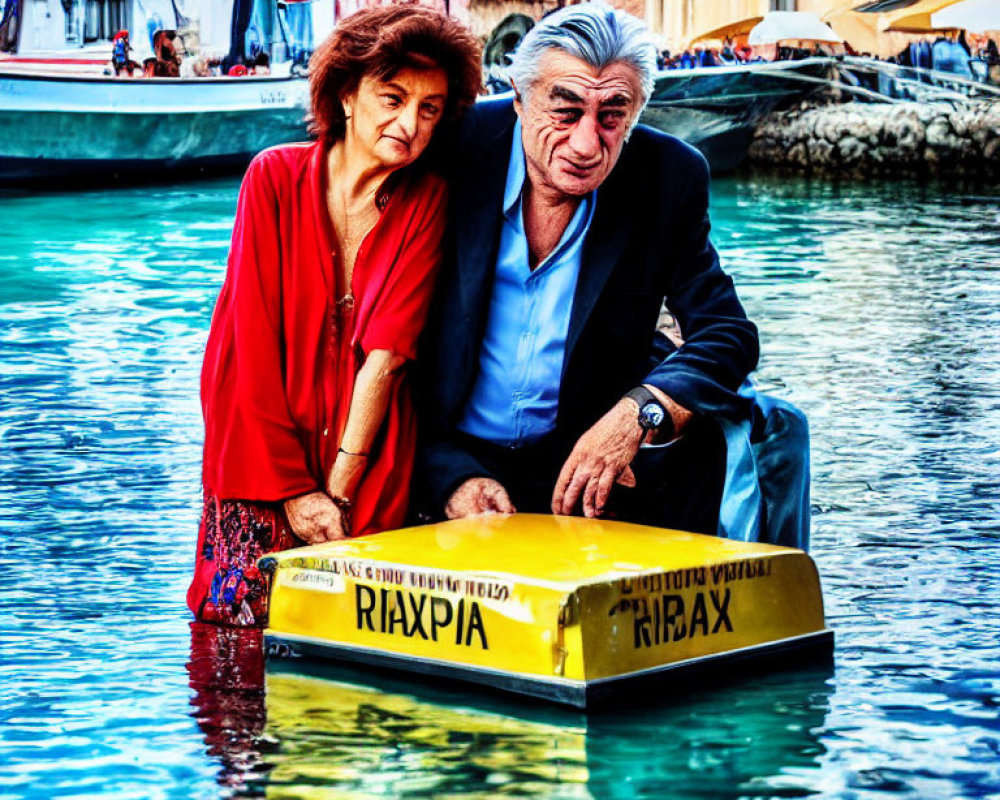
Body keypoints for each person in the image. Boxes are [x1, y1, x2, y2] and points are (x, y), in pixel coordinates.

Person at [415, 4, 792, 545]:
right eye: (565, 112)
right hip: (444, 451)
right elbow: (375, 330)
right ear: (519, 101)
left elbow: (726, 332)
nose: (587, 144)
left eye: (612, 114)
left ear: (637, 112)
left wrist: (639, 412)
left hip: (581, 463)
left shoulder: (669, 176)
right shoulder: (452, 147)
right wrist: (447, 473)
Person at [187, 5, 481, 627]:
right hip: (259, 463)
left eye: (430, 109)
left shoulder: (427, 201)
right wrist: (294, 489)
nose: (410, 123)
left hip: (367, 468)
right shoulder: (272, 177)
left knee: (354, 650)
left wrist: (337, 493)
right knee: (236, 646)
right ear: (347, 93)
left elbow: (388, 357)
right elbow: (250, 346)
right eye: (393, 97)